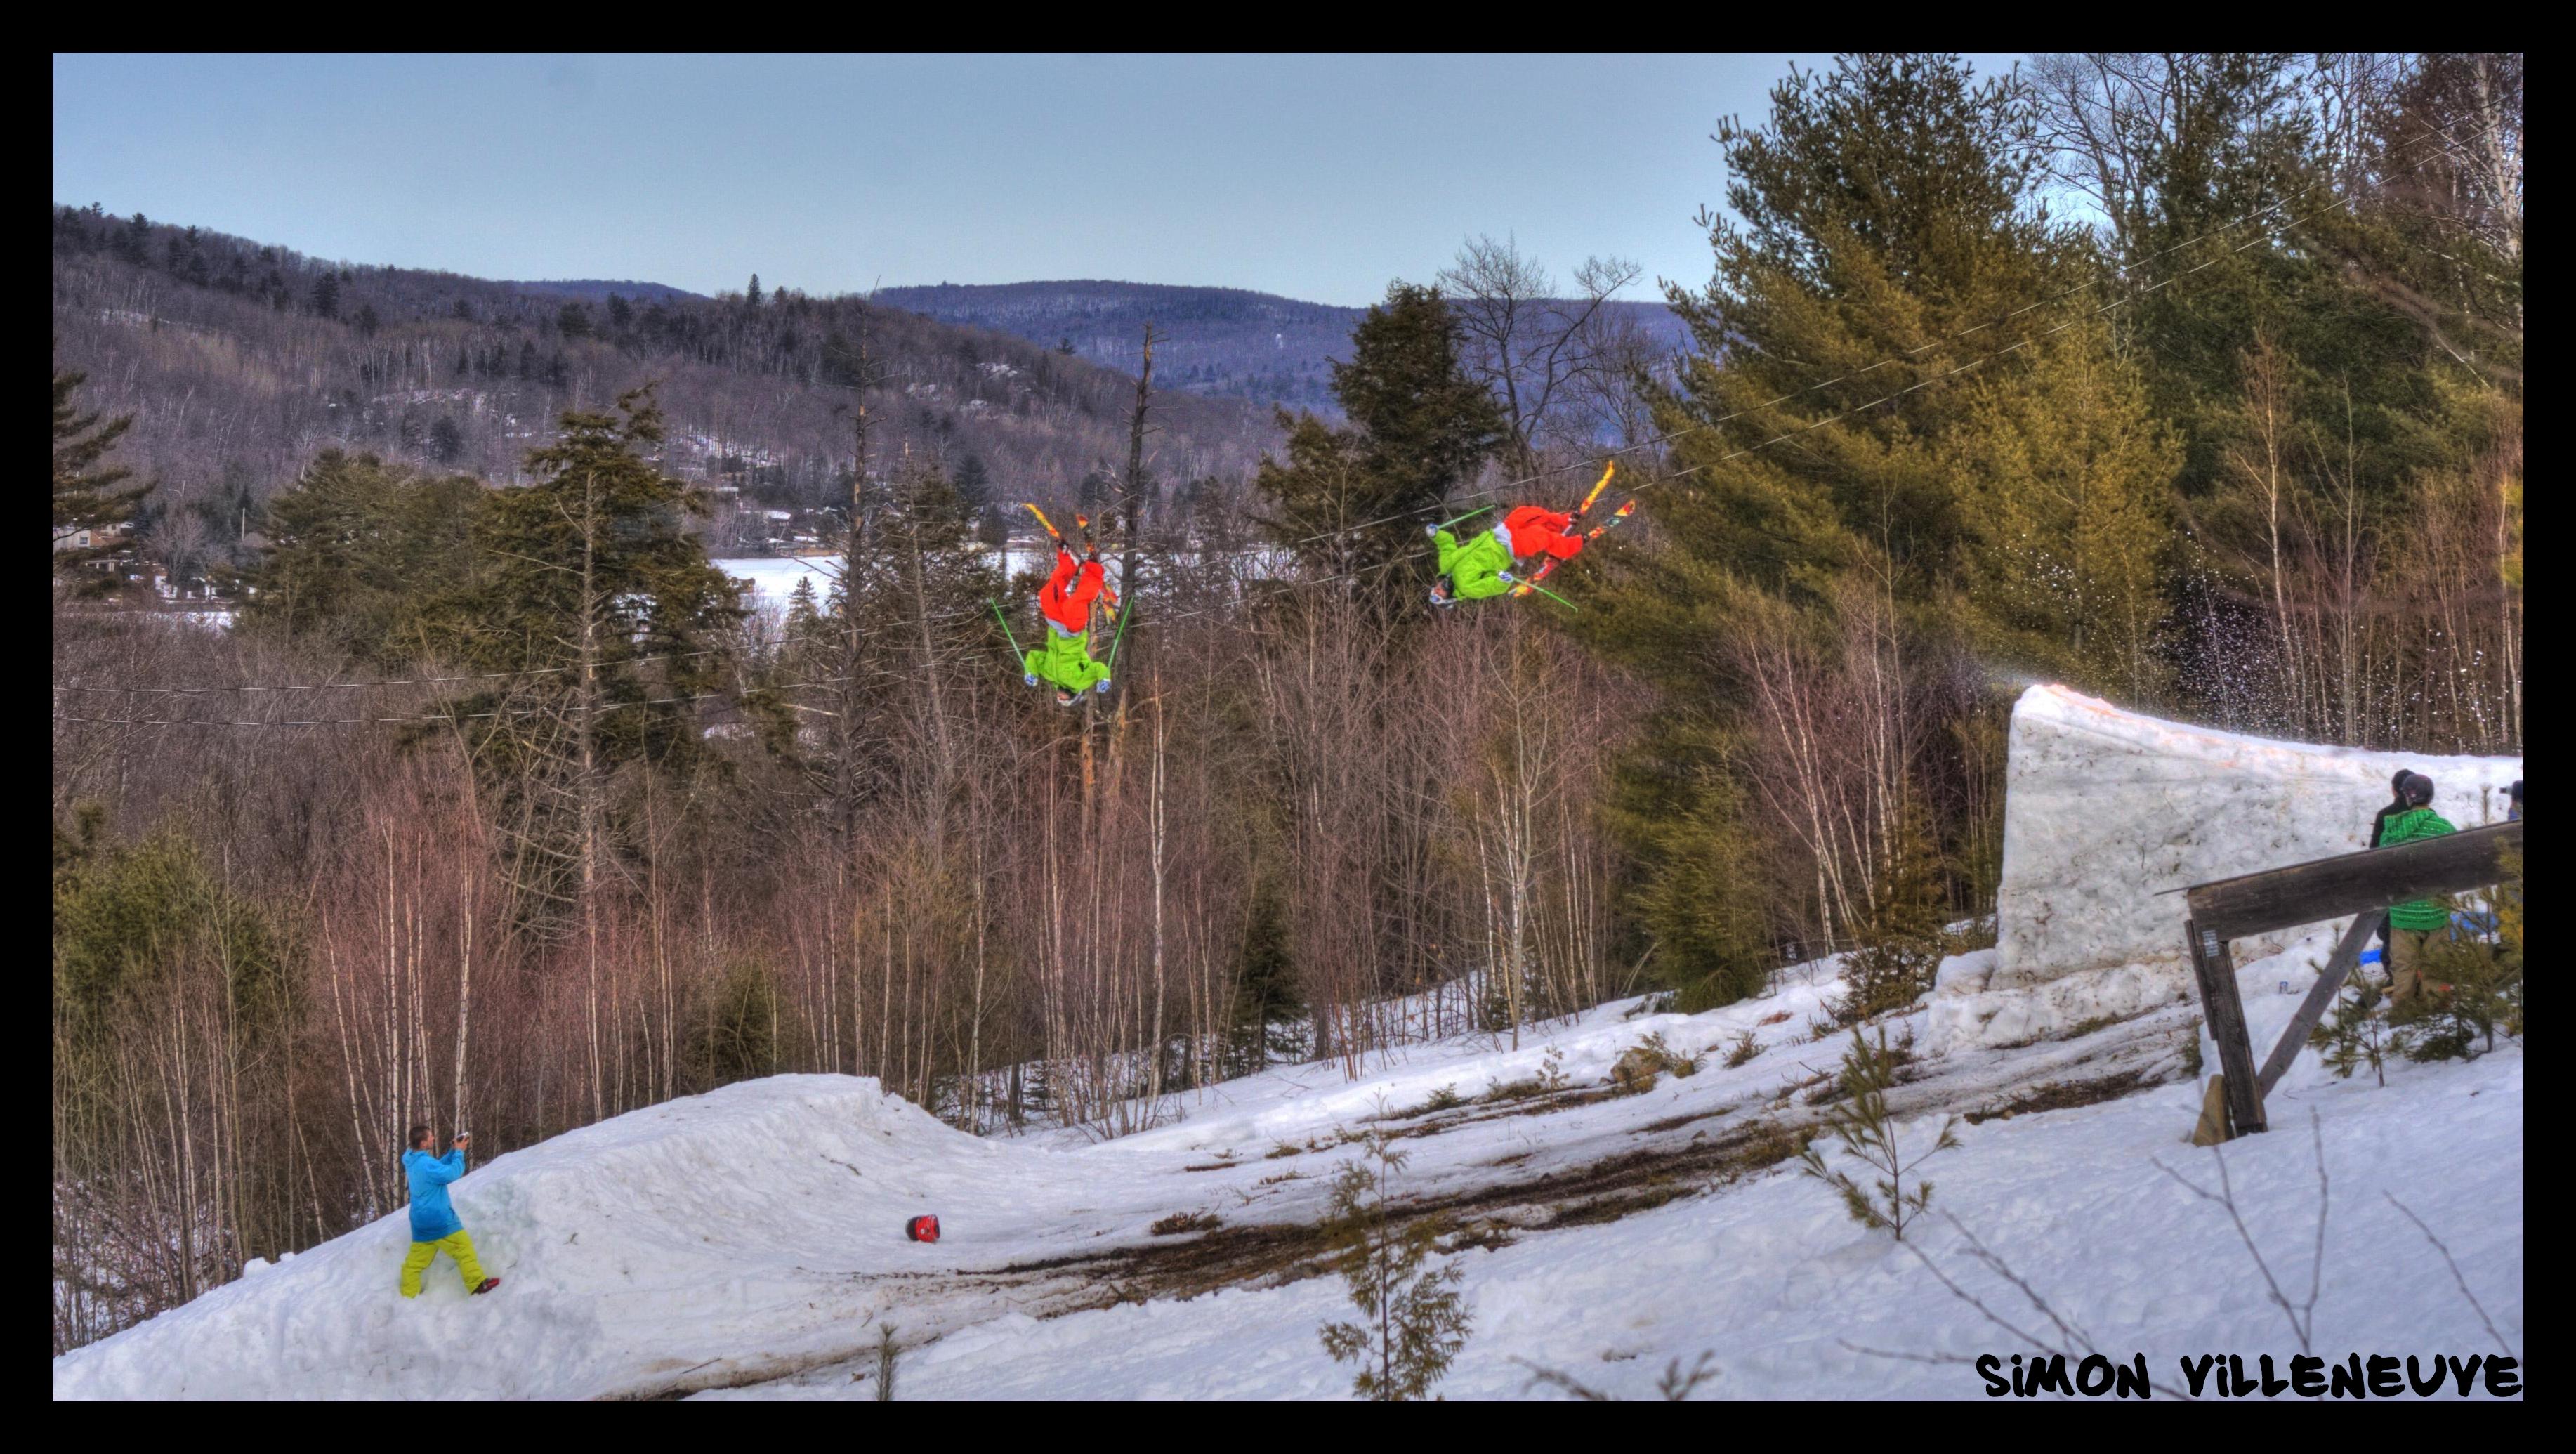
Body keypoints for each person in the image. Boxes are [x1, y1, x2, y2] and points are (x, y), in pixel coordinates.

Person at [2376, 772, 2457, 1014]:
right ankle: (2437, 1012)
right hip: (2435, 912)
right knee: (2436, 967)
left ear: (2406, 797)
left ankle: (2402, 1016)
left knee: (2404, 969)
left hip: (2402, 913)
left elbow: (2383, 865)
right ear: (2430, 797)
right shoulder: (2442, 827)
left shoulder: (2391, 829)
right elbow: (2456, 861)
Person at [400, 1125, 499, 1298]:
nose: (433, 1139)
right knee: (464, 1249)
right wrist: (460, 1153)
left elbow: (436, 1168)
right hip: (439, 1220)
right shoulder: (425, 1164)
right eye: (430, 1137)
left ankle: (407, 1295)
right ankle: (476, 1284)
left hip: (420, 1222)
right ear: (423, 1143)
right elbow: (452, 1173)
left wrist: (452, 1152)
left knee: (414, 1264)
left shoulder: (412, 1159)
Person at [1426, 506, 1582, 607]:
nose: (1439, 589)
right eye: (1440, 594)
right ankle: (1571, 546)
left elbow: (1447, 545)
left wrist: (1436, 534)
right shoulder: (1467, 588)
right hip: (1508, 549)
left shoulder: (1445, 566)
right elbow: (1491, 586)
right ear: (1450, 598)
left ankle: (1562, 520)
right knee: (1539, 535)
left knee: (1526, 513)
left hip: (1497, 534)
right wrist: (1502, 581)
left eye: (1436, 589)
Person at [1025, 543, 1117, 705]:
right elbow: (1097, 669)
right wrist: (1105, 678)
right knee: (1073, 604)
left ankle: (1068, 563)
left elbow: (1033, 655)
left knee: (1047, 594)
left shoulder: (1049, 674)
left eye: (1059, 699)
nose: (1060, 697)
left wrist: (1031, 672)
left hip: (1056, 626)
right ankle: (1094, 572)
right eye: (1064, 699)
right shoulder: (1080, 682)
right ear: (1074, 695)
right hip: (1074, 633)